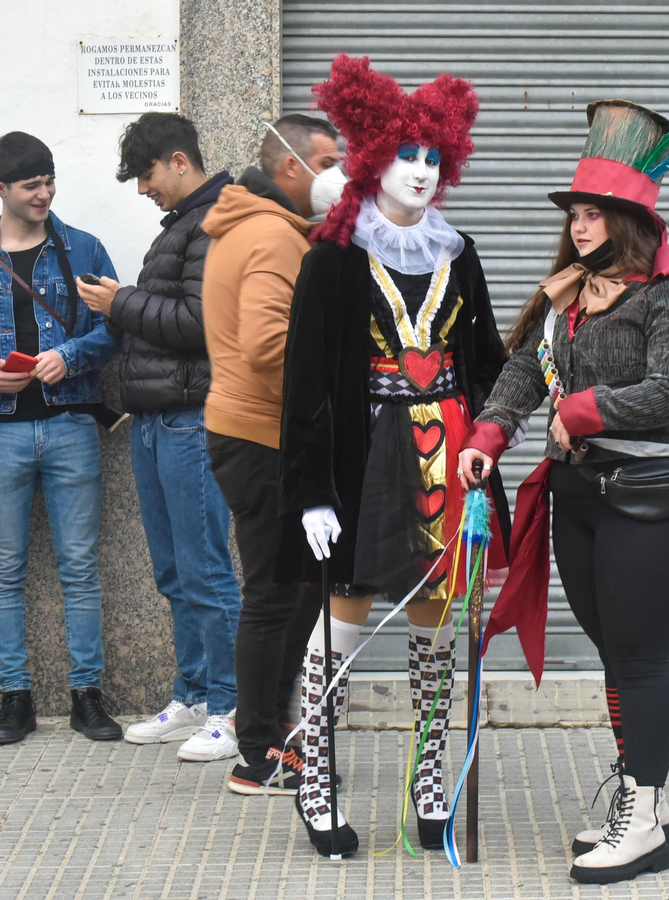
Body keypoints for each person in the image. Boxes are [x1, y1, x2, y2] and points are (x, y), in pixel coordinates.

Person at [458, 100, 669, 885]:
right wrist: (487, 436)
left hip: (655, 501)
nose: (579, 226)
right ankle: (648, 791)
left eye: (595, 213)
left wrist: (582, 409)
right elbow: (519, 372)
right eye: (575, 212)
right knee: (617, 656)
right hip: (580, 499)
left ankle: (639, 818)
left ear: (629, 219)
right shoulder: (567, 293)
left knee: (641, 659)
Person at [277, 55, 507, 857]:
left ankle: (429, 780)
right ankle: (313, 784)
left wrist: (498, 430)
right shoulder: (334, 259)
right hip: (361, 466)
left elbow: (483, 364)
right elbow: (304, 384)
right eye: (406, 156)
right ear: (373, 162)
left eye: (432, 157)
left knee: (433, 628)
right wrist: (309, 490)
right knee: (341, 623)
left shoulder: (459, 253)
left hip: (445, 463)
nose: (419, 171)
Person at [0, 131, 123, 744]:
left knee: (78, 565)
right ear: (1, 189)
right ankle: (13, 698)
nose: (44, 194)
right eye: (30, 186)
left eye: (49, 182)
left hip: (72, 423)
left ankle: (86, 696)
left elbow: (115, 327)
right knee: (5, 568)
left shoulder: (85, 248)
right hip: (0, 432)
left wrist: (69, 357)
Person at [75, 113, 244, 762]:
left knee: (205, 570)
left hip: (191, 421)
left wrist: (119, 302)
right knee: (175, 572)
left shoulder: (214, 222)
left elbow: (203, 323)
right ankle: (195, 694)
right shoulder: (180, 226)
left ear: (179, 161)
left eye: (146, 175)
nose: (143, 189)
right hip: (154, 420)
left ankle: (230, 709)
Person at [201, 113, 344, 795]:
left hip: (254, 433)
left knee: (295, 592)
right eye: (328, 158)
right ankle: (256, 752)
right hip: (261, 438)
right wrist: (339, 375)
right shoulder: (271, 237)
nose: (340, 172)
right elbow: (265, 344)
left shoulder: (259, 229)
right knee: (275, 596)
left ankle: (273, 737)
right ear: (291, 166)